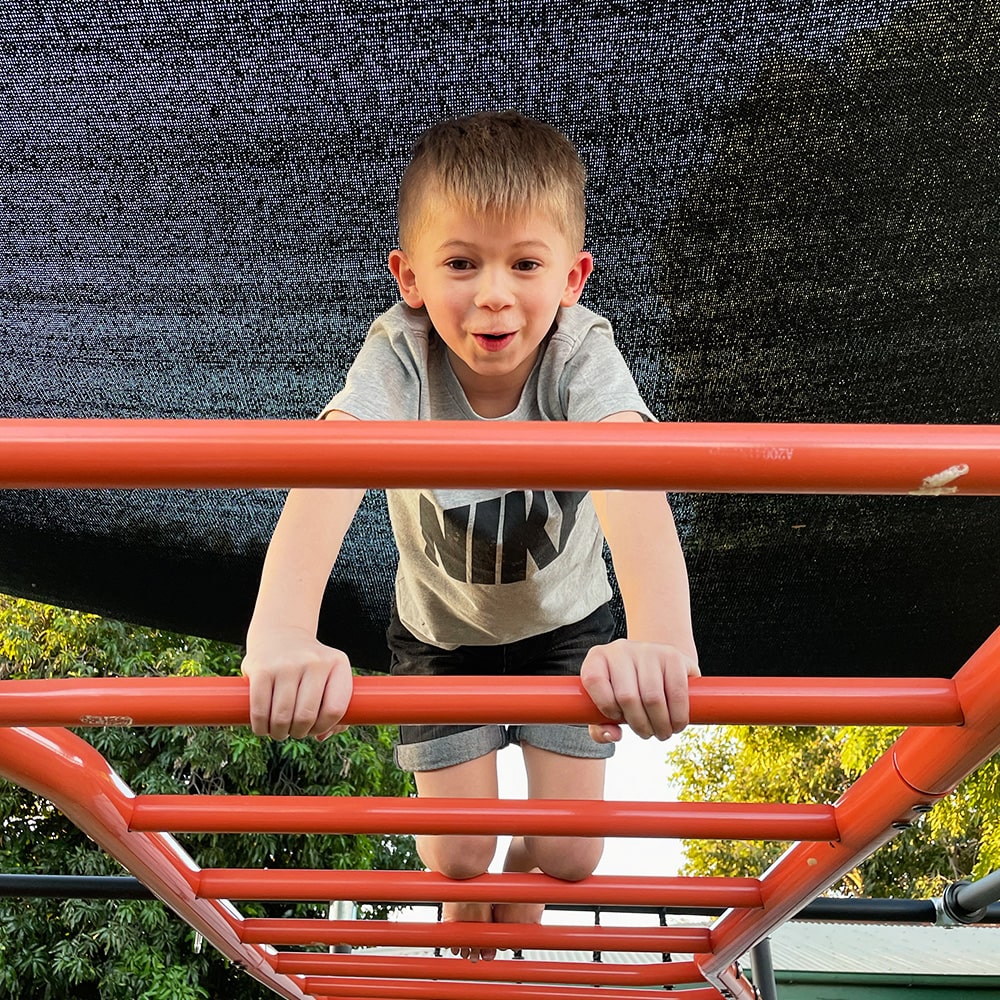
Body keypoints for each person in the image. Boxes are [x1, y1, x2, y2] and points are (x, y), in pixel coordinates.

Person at [241, 110, 699, 961]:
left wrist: (661, 639)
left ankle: (510, 919)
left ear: (572, 278)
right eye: (461, 264)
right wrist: (280, 632)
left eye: (525, 263)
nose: (494, 293)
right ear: (410, 277)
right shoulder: (401, 353)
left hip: (569, 628)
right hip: (441, 634)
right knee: (455, 856)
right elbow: (332, 465)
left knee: (570, 857)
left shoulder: (580, 351)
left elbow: (631, 471)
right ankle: (467, 929)